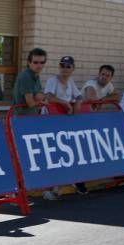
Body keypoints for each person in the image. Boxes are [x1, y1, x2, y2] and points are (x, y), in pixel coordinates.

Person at [43, 56, 85, 197]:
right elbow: (48, 97)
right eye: (62, 65)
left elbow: (79, 96)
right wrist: (65, 103)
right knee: (53, 153)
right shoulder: (52, 80)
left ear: (73, 69)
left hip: (64, 122)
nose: (65, 69)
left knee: (66, 152)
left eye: (68, 66)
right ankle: (51, 188)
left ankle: (64, 184)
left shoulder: (71, 81)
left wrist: (77, 103)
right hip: (49, 121)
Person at [12, 48, 48, 115]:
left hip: (30, 117)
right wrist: (42, 102)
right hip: (22, 118)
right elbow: (30, 103)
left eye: (42, 62)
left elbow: (38, 95)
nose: (39, 65)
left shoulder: (35, 75)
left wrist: (43, 98)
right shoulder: (26, 76)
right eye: (35, 62)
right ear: (29, 62)